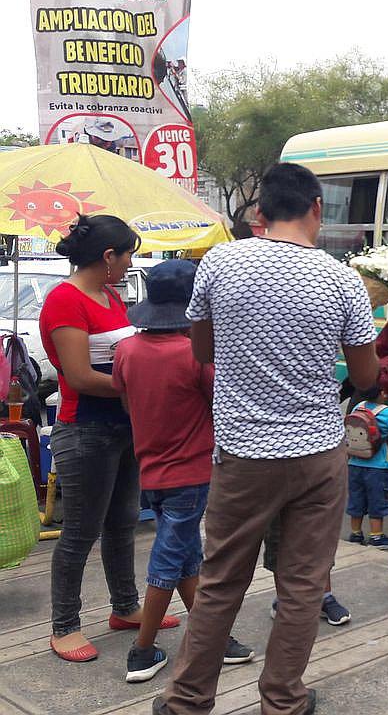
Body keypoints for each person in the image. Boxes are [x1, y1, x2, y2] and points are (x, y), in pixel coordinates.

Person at [154, 163, 378, 715]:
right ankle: (282, 700)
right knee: (303, 584)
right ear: (317, 209)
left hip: (244, 456)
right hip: (319, 454)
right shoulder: (342, 278)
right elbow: (368, 377)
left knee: (222, 580)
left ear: (259, 213)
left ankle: (186, 702)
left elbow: (202, 351)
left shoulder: (220, 263)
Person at [112, 259, 254, 683]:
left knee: (188, 557)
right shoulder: (195, 356)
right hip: (190, 475)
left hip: (150, 470)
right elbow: (223, 408)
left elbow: (126, 403)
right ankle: (142, 651)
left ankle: (214, 638)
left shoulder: (127, 350)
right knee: (168, 560)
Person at [40, 214, 166, 663]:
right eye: (128, 254)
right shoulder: (64, 301)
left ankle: (126, 607)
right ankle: (65, 625)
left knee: (123, 522)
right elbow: (78, 376)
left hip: (125, 425)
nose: (131, 262)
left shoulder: (111, 295)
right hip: (85, 428)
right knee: (79, 531)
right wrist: (144, 383)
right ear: (108, 256)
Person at [347, 389, 388, 550]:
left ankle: (355, 534)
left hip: (354, 463)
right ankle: (376, 536)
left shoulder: (358, 407)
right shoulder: (387, 412)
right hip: (378, 466)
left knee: (356, 499)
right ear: (383, 393)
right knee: (377, 500)